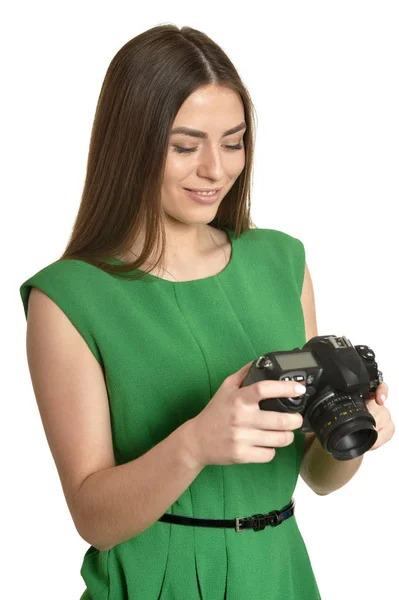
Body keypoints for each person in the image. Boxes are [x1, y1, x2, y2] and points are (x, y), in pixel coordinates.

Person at [19, 24, 326, 600]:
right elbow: (93, 517)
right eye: (185, 147)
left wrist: (351, 429)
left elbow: (317, 474)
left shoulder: (283, 262)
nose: (216, 168)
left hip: (282, 575)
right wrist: (195, 443)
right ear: (130, 144)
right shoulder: (68, 299)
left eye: (233, 142)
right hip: (158, 581)